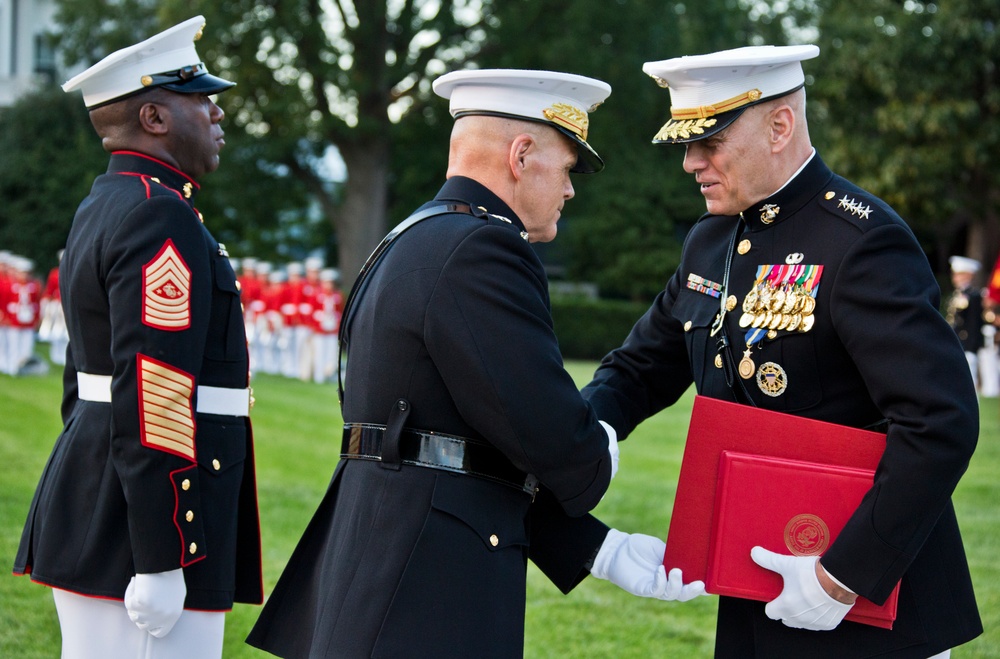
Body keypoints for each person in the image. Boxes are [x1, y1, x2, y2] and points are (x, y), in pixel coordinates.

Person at [246, 69, 704, 658]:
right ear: (521, 155)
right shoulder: (484, 251)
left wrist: (600, 551)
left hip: (385, 577)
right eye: (566, 169)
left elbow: (453, 453)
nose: (569, 191)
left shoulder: (408, 241)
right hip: (426, 594)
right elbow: (551, 436)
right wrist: (598, 450)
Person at [582, 45, 982, 658]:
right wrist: (589, 429)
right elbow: (642, 365)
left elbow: (941, 421)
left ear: (780, 126)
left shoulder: (861, 240)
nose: (691, 162)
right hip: (757, 581)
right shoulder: (712, 237)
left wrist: (843, 577)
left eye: (710, 140)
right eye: (685, 143)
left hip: (873, 604)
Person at [13, 16, 263, 658]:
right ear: (154, 117)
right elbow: (157, 387)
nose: (216, 114)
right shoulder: (159, 214)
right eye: (201, 99)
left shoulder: (109, 202)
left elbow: (84, 377)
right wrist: (163, 551)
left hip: (106, 493)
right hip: (143, 529)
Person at [945, 255, 984, 389]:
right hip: (956, 342)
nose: (955, 278)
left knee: (969, 379)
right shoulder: (956, 295)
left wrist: (972, 346)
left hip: (967, 343)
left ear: (969, 275)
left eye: (960, 274)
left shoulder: (974, 296)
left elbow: (973, 323)